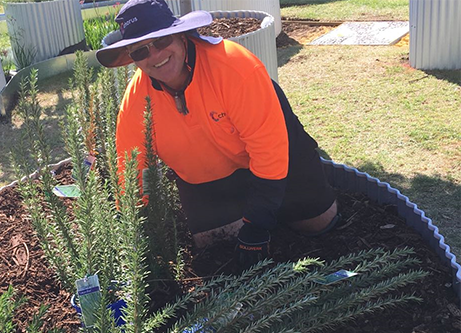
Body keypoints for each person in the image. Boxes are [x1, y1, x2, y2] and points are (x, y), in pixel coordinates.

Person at [96, 0, 340, 269]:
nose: (154, 55)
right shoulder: (135, 103)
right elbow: (128, 172)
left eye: (162, 40)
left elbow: (269, 149)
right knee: (215, 248)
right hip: (206, 173)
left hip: (275, 149)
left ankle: (297, 187)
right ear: (133, 58)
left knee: (319, 225)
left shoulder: (233, 67)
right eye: (141, 50)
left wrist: (257, 223)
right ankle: (251, 200)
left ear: (179, 35)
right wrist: (136, 240)